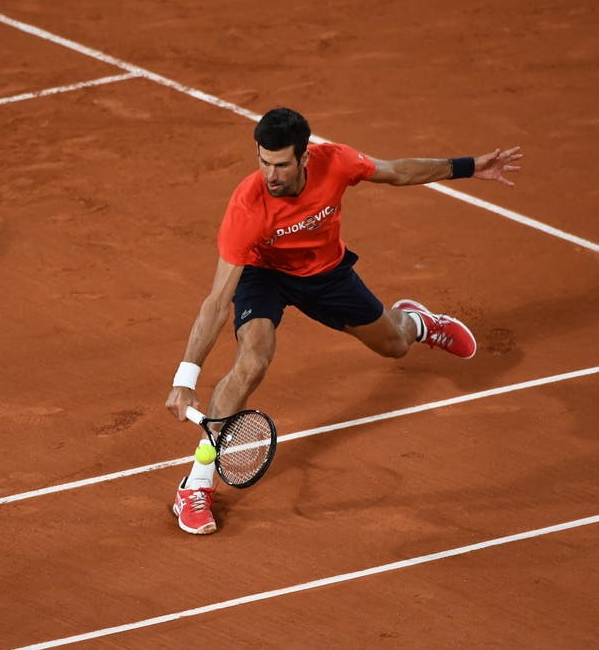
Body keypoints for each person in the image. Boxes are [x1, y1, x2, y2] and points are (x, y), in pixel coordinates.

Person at [165, 107, 522, 535]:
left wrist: (466, 167)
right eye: (263, 162)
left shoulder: (336, 162)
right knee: (253, 360)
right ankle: (196, 483)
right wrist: (186, 378)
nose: (270, 175)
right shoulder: (248, 206)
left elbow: (397, 172)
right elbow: (217, 301)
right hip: (266, 276)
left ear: (304, 158)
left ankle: (418, 322)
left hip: (325, 275)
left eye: (281, 164)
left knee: (394, 344)